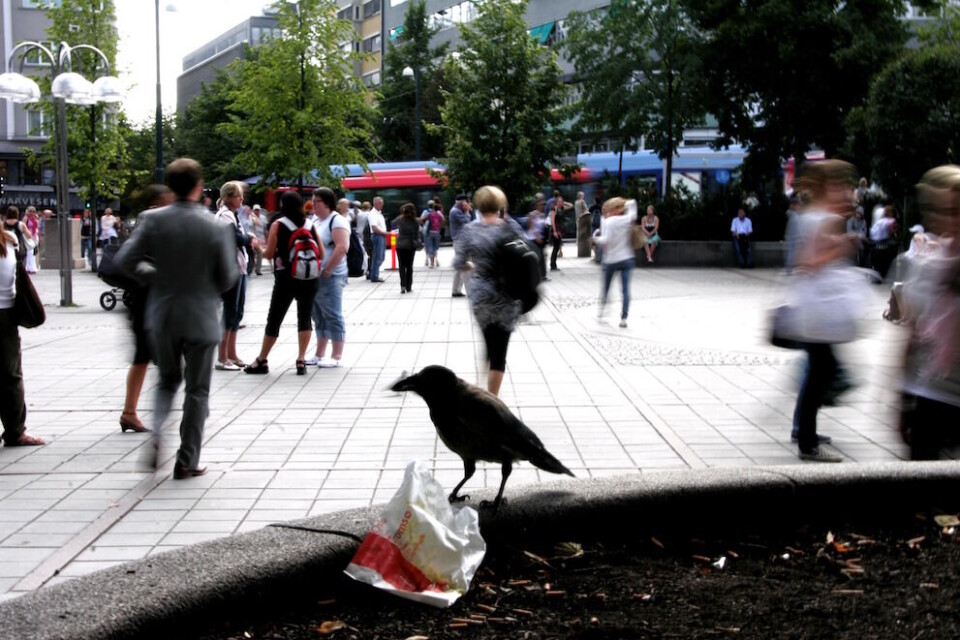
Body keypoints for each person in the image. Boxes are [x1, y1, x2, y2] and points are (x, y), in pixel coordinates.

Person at [115, 158, 237, 479]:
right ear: (199, 187)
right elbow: (227, 277)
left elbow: (125, 262)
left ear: (170, 187)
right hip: (201, 317)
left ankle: (156, 431)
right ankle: (187, 460)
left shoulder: (152, 221)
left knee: (167, 380)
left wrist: (154, 276)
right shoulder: (214, 226)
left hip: (163, 314)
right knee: (197, 390)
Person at [788, 159, 861, 463]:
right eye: (839, 186)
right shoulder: (819, 218)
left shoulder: (813, 215)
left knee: (819, 371)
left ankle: (806, 433)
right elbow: (809, 261)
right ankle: (806, 441)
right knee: (822, 371)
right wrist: (841, 246)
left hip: (815, 311)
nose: (845, 193)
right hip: (819, 312)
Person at [898, 166, 960, 459]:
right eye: (943, 210)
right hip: (932, 396)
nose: (949, 219)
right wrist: (904, 400)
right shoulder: (930, 266)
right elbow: (911, 340)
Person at [453, 186, 525, 396]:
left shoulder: (470, 230)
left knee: (488, 342)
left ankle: (480, 391)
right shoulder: (510, 228)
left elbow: (458, 262)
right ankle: (492, 400)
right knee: (499, 351)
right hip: (507, 296)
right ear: (500, 205)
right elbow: (526, 252)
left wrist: (475, 268)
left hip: (481, 296)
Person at [244, 191, 323, 376]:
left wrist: (258, 248)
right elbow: (321, 253)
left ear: (283, 205)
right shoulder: (310, 224)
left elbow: (270, 254)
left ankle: (262, 360)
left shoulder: (278, 225)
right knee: (304, 317)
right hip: (310, 278)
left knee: (275, 319)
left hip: (286, 278)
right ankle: (301, 360)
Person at [119, 185, 175, 434]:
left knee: (146, 356)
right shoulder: (149, 221)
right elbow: (127, 260)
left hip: (152, 298)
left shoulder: (159, 222)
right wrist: (155, 275)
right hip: (144, 298)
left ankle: (132, 412)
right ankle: (130, 412)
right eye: (167, 200)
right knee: (145, 355)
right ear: (157, 202)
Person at [0, 226, 46, 447]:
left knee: (11, 377)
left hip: (5, 315)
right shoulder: (10, 242)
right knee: (11, 377)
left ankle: (16, 431)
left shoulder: (9, 242)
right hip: (6, 317)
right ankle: (16, 431)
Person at [214, 181, 259, 371]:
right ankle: (222, 357)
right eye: (238, 195)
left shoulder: (232, 215)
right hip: (230, 267)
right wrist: (249, 239)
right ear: (228, 197)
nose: (241, 199)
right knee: (230, 313)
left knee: (237, 313)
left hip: (238, 266)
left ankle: (231, 353)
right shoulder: (224, 216)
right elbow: (233, 238)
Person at [306, 187, 351, 368]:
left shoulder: (337, 221)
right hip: (316, 274)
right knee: (318, 315)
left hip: (331, 275)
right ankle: (319, 353)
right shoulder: (316, 220)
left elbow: (342, 247)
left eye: (316, 202)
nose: (313, 205)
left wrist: (328, 269)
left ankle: (336, 354)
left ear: (327, 203)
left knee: (333, 314)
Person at [596, 197, 638, 328]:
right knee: (625, 290)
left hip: (611, 260)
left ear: (613, 210)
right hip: (626, 258)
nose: (606, 212)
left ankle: (602, 312)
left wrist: (595, 239)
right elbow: (633, 205)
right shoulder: (627, 219)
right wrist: (625, 204)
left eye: (608, 209)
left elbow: (606, 239)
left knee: (606, 287)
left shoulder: (609, 222)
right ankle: (624, 318)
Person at [449, 193, 473, 297]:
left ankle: (456, 290)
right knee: (466, 266)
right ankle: (470, 292)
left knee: (460, 267)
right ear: (462, 202)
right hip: (460, 242)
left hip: (461, 241)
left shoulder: (457, 210)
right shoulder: (456, 211)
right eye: (467, 202)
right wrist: (467, 211)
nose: (468, 204)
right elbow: (467, 222)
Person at [396, 203, 422, 294]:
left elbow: (392, 223)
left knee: (401, 266)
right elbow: (417, 232)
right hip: (410, 245)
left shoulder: (400, 219)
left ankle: (402, 286)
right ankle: (409, 286)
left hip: (400, 245)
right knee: (409, 266)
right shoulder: (415, 221)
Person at [367, 197, 387, 283]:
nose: (382, 204)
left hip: (381, 236)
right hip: (378, 236)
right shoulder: (373, 214)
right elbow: (374, 228)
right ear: (375, 203)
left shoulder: (378, 213)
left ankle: (373, 274)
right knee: (378, 257)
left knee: (380, 257)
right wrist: (385, 233)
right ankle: (374, 276)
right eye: (380, 203)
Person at [420, 202, 444, 269]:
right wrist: (439, 227)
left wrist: (425, 225)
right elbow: (443, 220)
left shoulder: (429, 214)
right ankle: (436, 260)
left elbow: (421, 219)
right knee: (435, 248)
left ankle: (432, 263)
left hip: (430, 232)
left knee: (430, 247)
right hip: (437, 232)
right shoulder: (439, 214)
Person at [23, 207, 40, 274]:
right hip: (28, 236)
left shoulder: (35, 218)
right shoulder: (26, 218)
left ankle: (32, 267)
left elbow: (37, 226)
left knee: (33, 253)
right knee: (29, 252)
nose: (33, 212)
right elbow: (23, 227)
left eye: (34, 211)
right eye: (31, 211)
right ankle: (29, 268)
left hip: (35, 236)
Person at [251, 204, 266, 276]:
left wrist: (266, 238)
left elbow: (265, 228)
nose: (257, 211)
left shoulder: (263, 218)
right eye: (255, 210)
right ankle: (251, 268)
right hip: (253, 238)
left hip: (261, 238)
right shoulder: (250, 217)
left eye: (258, 210)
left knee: (259, 253)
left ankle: (258, 269)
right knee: (252, 254)